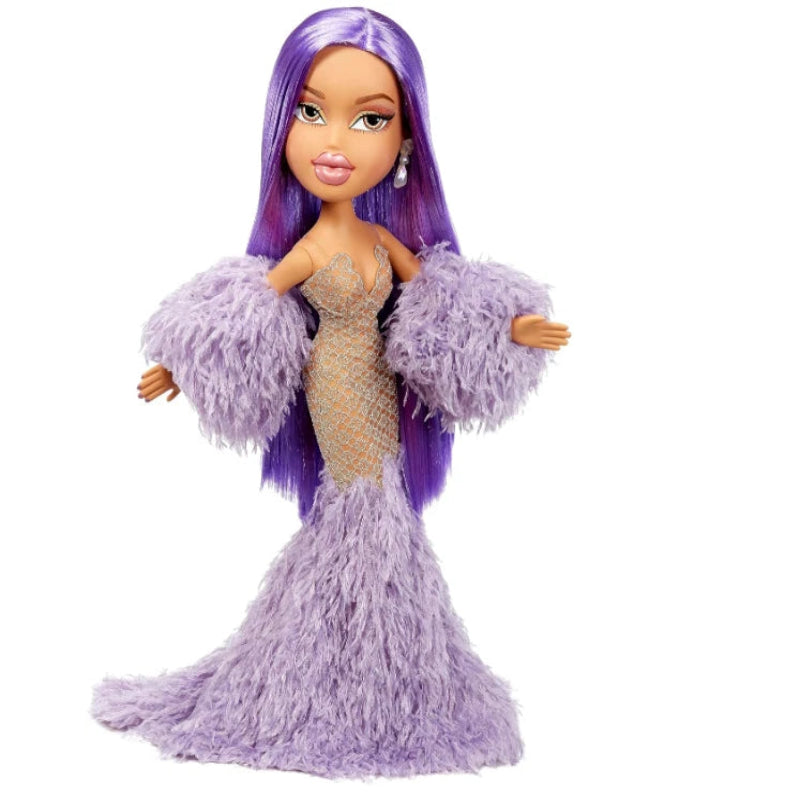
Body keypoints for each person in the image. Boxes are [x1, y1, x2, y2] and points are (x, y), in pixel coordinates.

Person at [92, 7, 570, 779]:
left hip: (376, 381)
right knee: (360, 509)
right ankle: (338, 675)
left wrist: (512, 328)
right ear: (283, 124)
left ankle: (380, 675)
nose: (335, 141)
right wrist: (183, 367)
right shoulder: (311, 247)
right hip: (335, 386)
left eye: (369, 118)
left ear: (405, 142)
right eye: (311, 113)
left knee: (382, 507)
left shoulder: (382, 240)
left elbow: (440, 299)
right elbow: (253, 309)